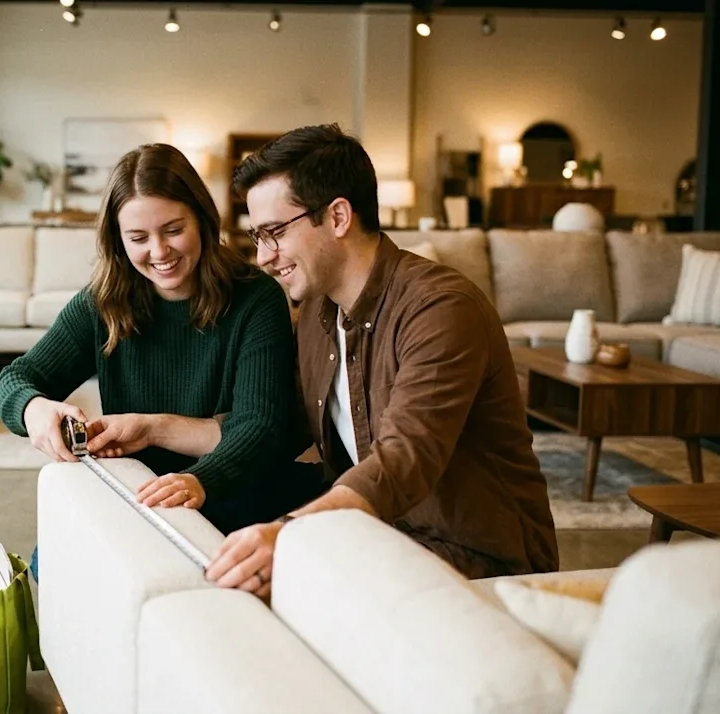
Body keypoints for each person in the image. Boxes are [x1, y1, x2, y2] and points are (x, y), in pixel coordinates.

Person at [205, 124, 559, 599]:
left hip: (480, 556)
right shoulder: (317, 310)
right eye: (257, 236)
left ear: (337, 216)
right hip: (385, 536)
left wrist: (286, 534)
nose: (265, 257)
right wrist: (150, 431)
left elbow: (403, 458)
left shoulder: (440, 308)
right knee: (222, 539)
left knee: (276, 582)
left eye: (274, 233)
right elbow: (274, 426)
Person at [0, 143, 321, 578]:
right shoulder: (102, 303)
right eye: (138, 238)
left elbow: (259, 428)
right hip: (142, 488)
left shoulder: (255, 299)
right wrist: (34, 410)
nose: (159, 251)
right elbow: (17, 378)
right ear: (118, 239)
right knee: (49, 564)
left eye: (172, 229)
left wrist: (155, 432)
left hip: (234, 481)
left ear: (202, 219)